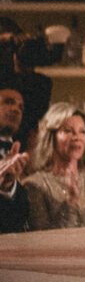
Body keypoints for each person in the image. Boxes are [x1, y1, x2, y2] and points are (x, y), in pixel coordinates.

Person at [21, 102, 85, 230]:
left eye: (82, 132)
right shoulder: (34, 185)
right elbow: (45, 242)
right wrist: (70, 202)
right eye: (68, 131)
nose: (77, 137)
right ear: (51, 136)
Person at [0, 82, 29, 233]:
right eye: (8, 102)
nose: (16, 109)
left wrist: (7, 188)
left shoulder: (20, 159)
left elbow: (19, 220)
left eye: (20, 107)